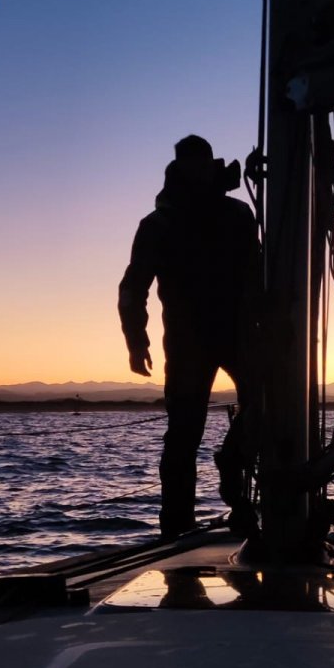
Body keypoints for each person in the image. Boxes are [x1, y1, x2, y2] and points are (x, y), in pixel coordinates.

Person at [118, 135, 259, 541]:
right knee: (183, 431)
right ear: (179, 168)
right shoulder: (158, 224)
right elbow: (133, 287)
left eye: (202, 163)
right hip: (186, 341)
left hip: (241, 334)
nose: (198, 170)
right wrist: (136, 340)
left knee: (271, 403)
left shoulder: (238, 214)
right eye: (190, 165)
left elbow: (259, 270)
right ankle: (176, 528)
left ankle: (234, 463)